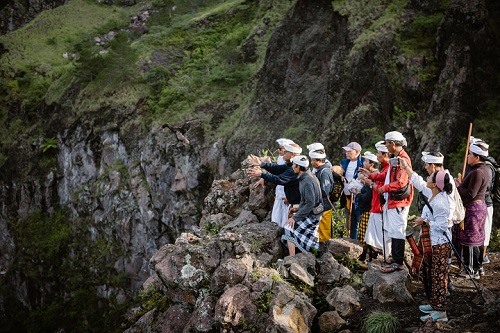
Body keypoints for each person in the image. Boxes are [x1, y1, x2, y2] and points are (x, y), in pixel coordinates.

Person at [360, 131, 413, 273]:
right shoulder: (396, 157)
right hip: (393, 201)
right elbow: (386, 174)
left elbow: (401, 182)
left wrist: (382, 188)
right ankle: (395, 259)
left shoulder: (403, 159)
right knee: (393, 230)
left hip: (399, 202)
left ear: (393, 144)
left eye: (387, 143)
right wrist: (371, 175)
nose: (386, 147)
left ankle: (398, 262)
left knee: (397, 231)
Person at [404, 170, 453, 322]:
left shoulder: (441, 203)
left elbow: (444, 226)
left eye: (430, 177)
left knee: (439, 277)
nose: (427, 177)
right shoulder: (434, 195)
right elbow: (418, 182)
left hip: (440, 244)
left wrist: (424, 222)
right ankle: (434, 304)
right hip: (432, 242)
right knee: (431, 274)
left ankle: (441, 312)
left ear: (435, 184)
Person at [455, 143, 489, 279]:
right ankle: (478, 267)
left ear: (477, 157)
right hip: (479, 207)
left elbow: (471, 193)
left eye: (470, 154)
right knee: (478, 237)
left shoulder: (477, 172)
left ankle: (470, 270)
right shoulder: (483, 169)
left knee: (471, 238)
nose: (468, 156)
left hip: (474, 208)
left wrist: (458, 187)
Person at [247, 143, 303, 217]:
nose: (284, 154)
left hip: (298, 205)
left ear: (292, 154)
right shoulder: (292, 165)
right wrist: (261, 164)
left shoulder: (294, 169)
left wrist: (261, 174)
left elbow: (279, 179)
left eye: (286, 152)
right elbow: (277, 169)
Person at [282, 155, 323, 256]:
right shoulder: (308, 176)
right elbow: (307, 201)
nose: (292, 167)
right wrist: (297, 209)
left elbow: (310, 203)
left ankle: (292, 258)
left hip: (313, 216)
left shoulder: (307, 181)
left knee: (288, 227)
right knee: (307, 236)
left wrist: (295, 218)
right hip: (313, 213)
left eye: (294, 165)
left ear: (299, 167)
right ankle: (309, 255)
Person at [362, 141, 391, 262]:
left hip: (380, 208)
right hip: (376, 207)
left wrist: (370, 183)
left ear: (385, 155)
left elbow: (382, 190)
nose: (377, 155)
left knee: (380, 237)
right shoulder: (384, 169)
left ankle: (384, 259)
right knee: (372, 237)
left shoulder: (388, 169)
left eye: (378, 153)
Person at [356, 151, 378, 261]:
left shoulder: (374, 178)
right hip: (368, 208)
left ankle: (366, 255)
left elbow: (368, 196)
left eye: (366, 161)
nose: (364, 163)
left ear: (372, 164)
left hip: (369, 209)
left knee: (365, 234)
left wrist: (358, 194)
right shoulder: (371, 175)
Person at [267, 138, 294, 227]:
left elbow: (280, 178)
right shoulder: (280, 158)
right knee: (277, 214)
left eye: (281, 149)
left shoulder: (292, 164)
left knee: (286, 215)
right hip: (279, 192)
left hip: (287, 194)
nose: (279, 151)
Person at [340, 142, 363, 239]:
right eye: (346, 151)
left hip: (357, 198)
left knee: (356, 221)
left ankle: (356, 242)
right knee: (348, 220)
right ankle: (349, 239)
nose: (347, 153)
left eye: (349, 152)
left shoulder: (362, 163)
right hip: (347, 197)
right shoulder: (345, 163)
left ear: (357, 152)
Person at [310, 149, 334, 242]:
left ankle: (325, 251)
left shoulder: (325, 172)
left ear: (320, 161)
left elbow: (325, 191)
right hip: (321, 204)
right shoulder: (320, 170)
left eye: (313, 160)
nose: (312, 163)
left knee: (324, 230)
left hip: (325, 205)